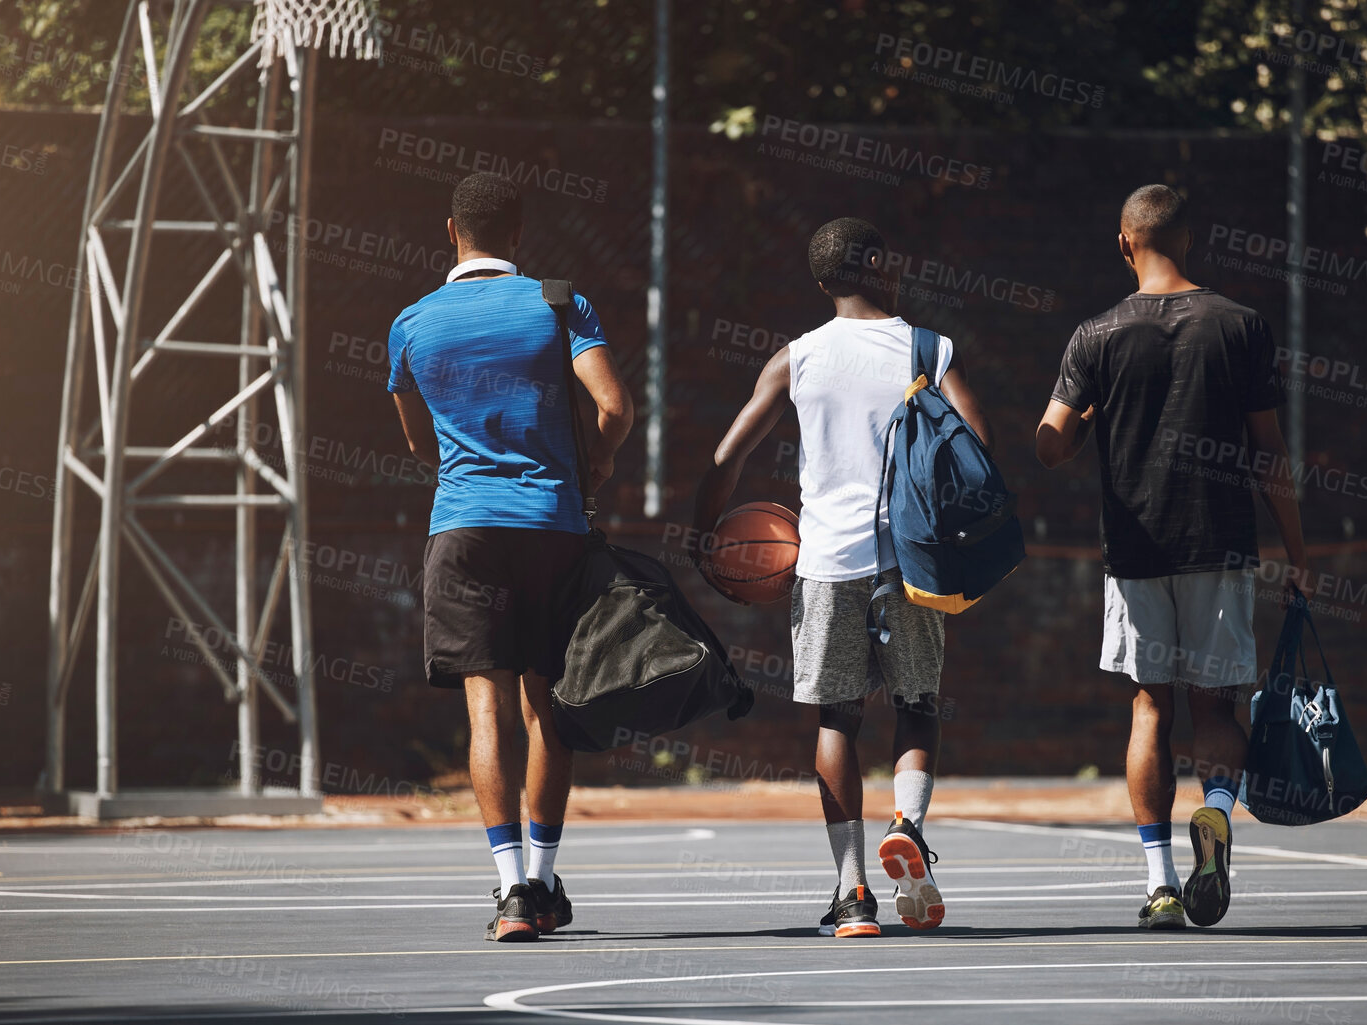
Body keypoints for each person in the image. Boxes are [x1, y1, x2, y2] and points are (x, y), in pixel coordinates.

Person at [691, 217, 993, 936]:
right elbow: (979, 445)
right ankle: (908, 827)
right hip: (910, 558)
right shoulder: (928, 346)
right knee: (917, 704)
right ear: (880, 263)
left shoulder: (795, 358)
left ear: (822, 281)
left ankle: (852, 890)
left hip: (825, 560)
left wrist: (706, 538)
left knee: (837, 716)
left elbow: (725, 457)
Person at [1035, 184, 1307, 930]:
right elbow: (1269, 454)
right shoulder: (1239, 325)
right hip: (1218, 543)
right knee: (1216, 703)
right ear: (1189, 241)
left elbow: (1048, 444)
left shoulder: (1095, 334)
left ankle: (1158, 886)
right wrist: (1296, 548)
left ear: (1125, 242)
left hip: (1135, 549)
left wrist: (1090, 414)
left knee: (1150, 704)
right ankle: (1215, 811)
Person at [386, 172, 634, 942]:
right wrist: (593, 464)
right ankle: (543, 877)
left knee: (486, 709)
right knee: (546, 708)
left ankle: (509, 895)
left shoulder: (412, 322)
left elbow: (416, 438)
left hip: (463, 528)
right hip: (552, 528)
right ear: (519, 235)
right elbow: (615, 407)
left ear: (450, 233)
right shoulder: (559, 303)